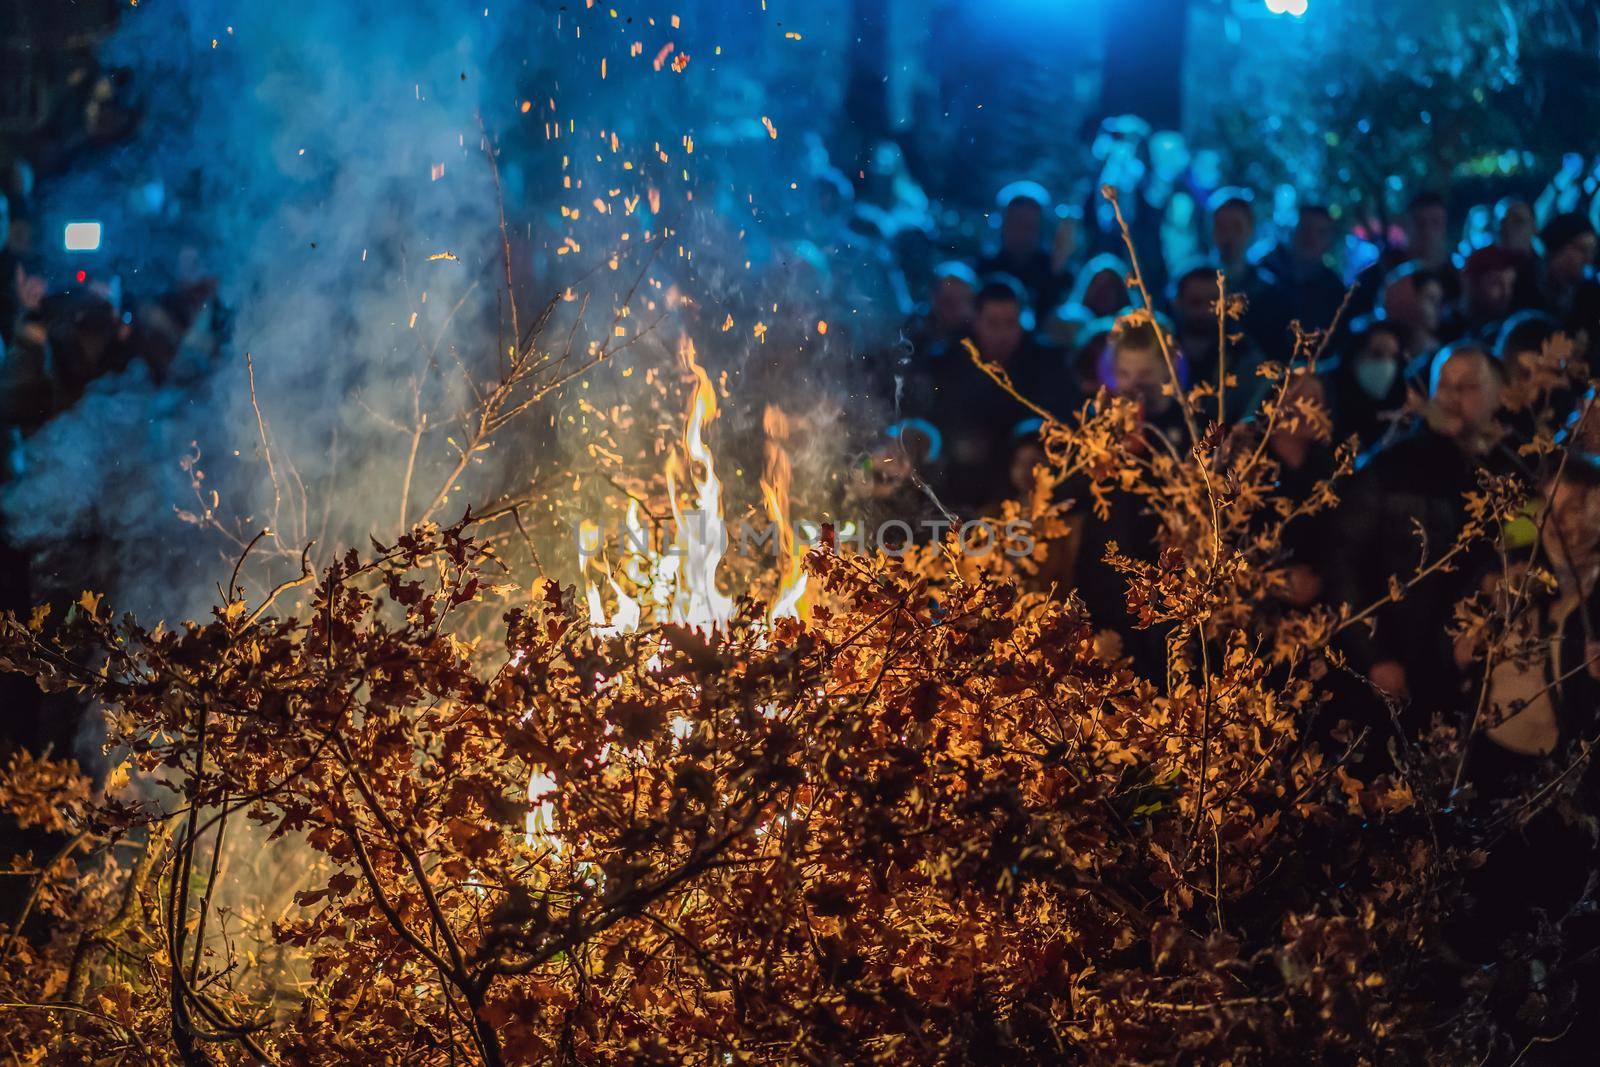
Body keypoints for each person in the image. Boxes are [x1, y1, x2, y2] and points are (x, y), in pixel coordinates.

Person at [1336, 344, 1515, 720]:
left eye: (1467, 387)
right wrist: (1376, 656)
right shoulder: (1392, 467)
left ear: (1499, 396)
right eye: (1443, 385)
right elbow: (1344, 562)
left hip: (1477, 675)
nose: (1450, 397)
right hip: (1401, 658)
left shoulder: (1513, 473)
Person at [1170, 263, 1262, 421]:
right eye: (1196, 302)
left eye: (1214, 301)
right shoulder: (1161, 351)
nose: (1207, 310)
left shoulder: (1243, 355)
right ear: (1178, 302)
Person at [1352, 191, 1460, 318]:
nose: (1428, 231)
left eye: (1435, 222)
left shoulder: (1456, 278)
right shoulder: (1379, 274)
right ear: (1407, 226)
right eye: (1420, 223)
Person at [1258, 204, 1347, 350]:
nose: (1311, 238)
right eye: (1306, 229)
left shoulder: (1334, 289)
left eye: (1321, 232)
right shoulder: (1266, 274)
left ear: (1329, 241)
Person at [978, 181, 1069, 314]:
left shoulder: (1056, 272)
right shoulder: (984, 269)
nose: (1021, 232)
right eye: (1016, 223)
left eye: (1028, 226)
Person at [1329, 319, 1410, 452]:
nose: (1387, 366)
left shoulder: (1399, 416)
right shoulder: (1327, 405)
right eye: (1378, 354)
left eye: (1394, 357)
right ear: (1355, 355)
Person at [1534, 212, 1600, 357]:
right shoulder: (1527, 289)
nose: (1588, 259)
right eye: (1582, 250)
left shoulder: (1591, 297)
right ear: (1558, 247)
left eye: (1592, 252)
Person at [1440, 244, 1520, 345]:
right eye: (1495, 283)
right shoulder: (1446, 327)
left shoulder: (1508, 325)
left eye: (1511, 283)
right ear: (1471, 284)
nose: (1506, 292)